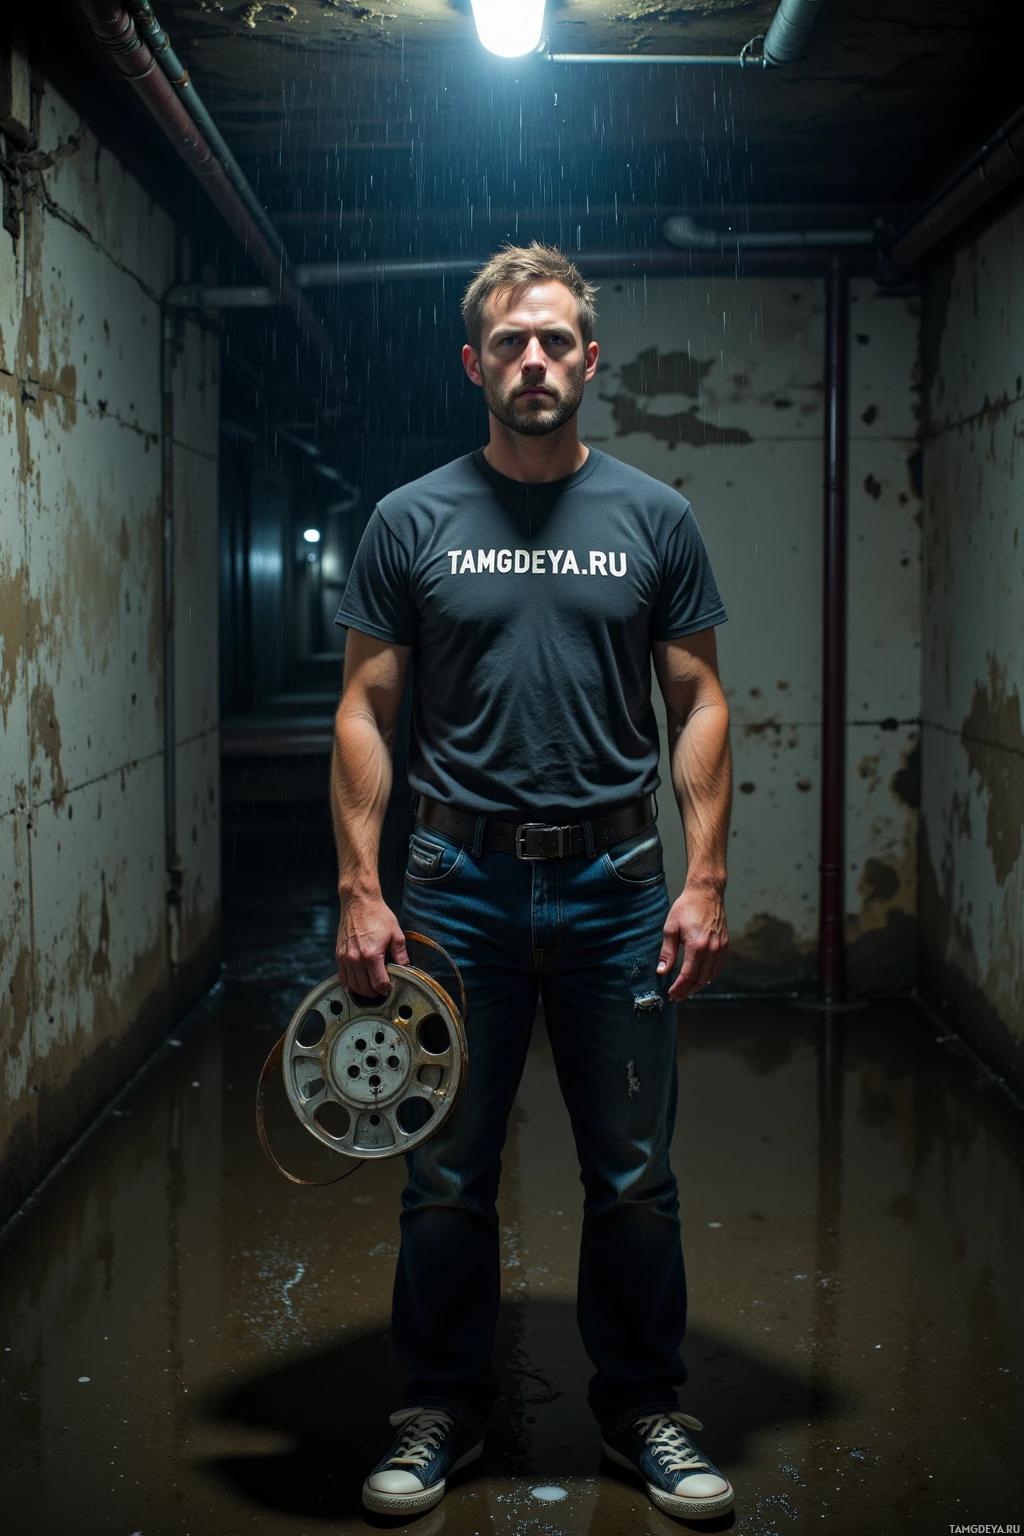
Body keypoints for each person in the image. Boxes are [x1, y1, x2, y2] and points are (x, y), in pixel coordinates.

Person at [331, 242, 734, 1522]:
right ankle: (440, 1408)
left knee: (633, 1171)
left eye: (556, 340)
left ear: (590, 359)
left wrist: (703, 873)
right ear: (475, 363)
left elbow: (701, 700)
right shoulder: (411, 520)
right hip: (457, 885)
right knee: (445, 1168)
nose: (535, 361)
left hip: (619, 881)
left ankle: (643, 1411)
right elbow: (362, 709)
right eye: (511, 343)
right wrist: (360, 884)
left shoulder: (653, 518)